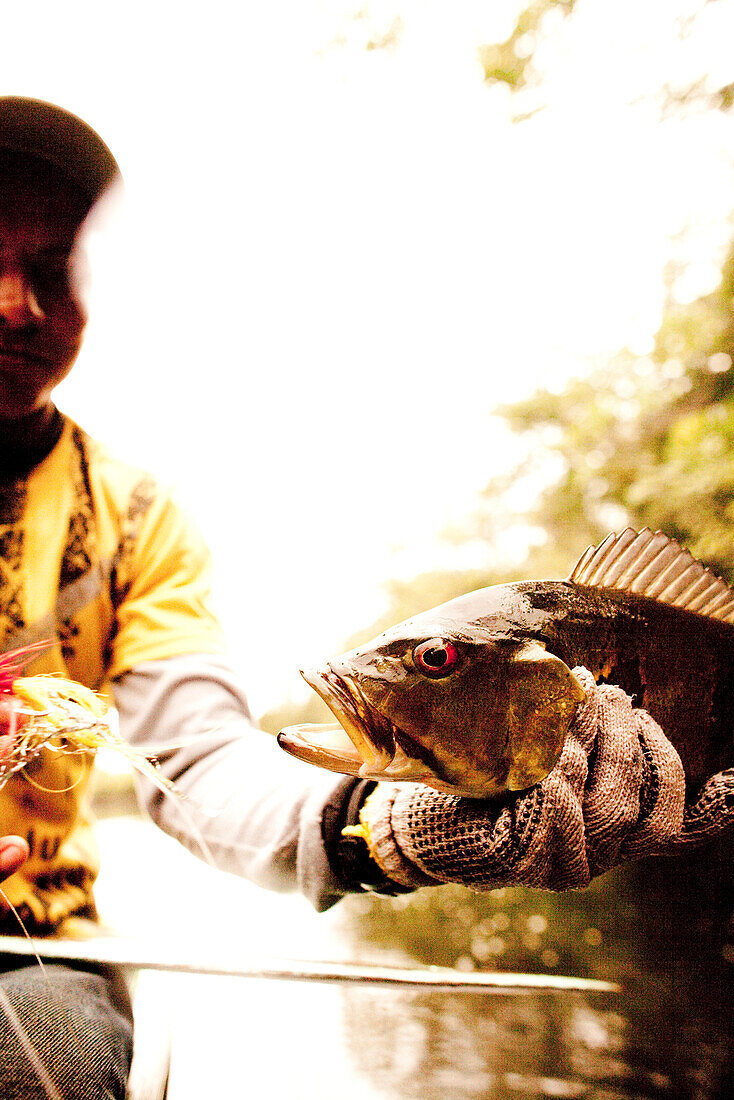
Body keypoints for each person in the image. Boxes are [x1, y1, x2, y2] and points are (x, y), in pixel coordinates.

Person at [0, 96, 732, 1099]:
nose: (17, 304)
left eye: (52, 270)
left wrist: (380, 822)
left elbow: (195, 767)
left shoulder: (133, 514)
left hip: (31, 943)